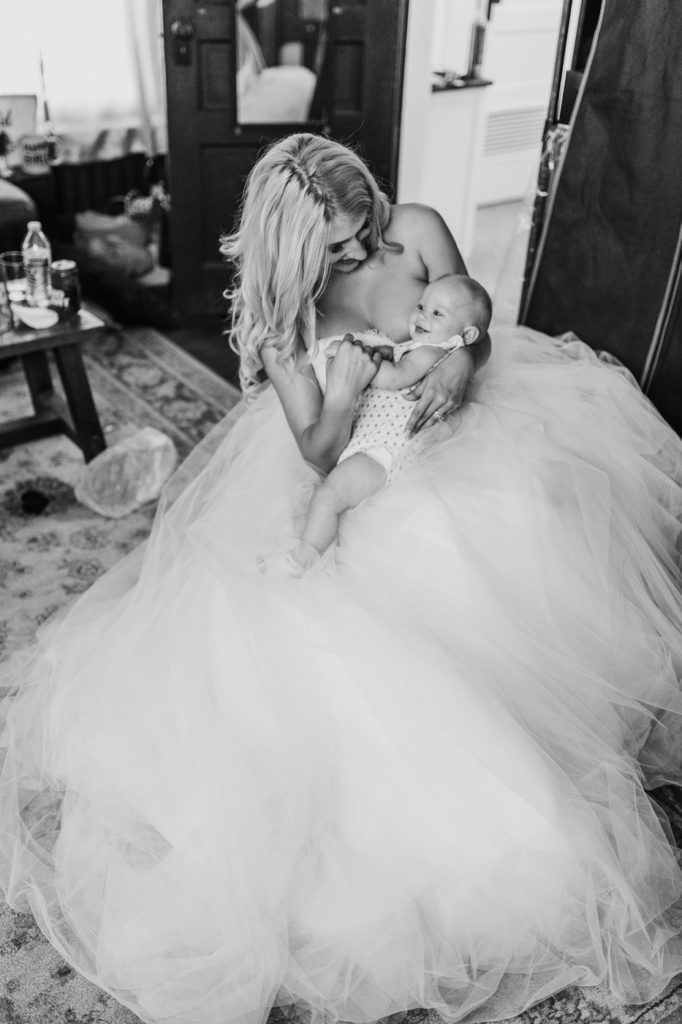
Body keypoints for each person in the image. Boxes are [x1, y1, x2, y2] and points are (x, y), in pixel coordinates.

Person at [0, 131, 681, 1024]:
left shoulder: (422, 228)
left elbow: (472, 331)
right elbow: (320, 452)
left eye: (365, 231)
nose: (364, 253)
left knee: (529, 505)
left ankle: (543, 702)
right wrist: (358, 391)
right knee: (377, 571)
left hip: (465, 429)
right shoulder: (286, 320)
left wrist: (454, 366)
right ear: (291, 249)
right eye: (339, 248)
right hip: (356, 454)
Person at [294, 274, 492, 569]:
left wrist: (356, 364)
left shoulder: (430, 352)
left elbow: (394, 377)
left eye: (437, 313)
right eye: (422, 306)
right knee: (343, 509)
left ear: (466, 337)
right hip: (384, 446)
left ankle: (303, 561)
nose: (422, 316)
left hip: (382, 450)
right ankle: (323, 559)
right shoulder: (421, 350)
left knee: (327, 498)